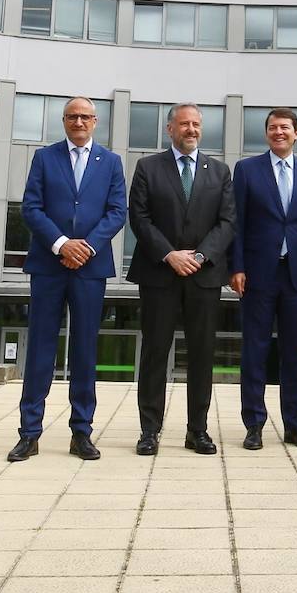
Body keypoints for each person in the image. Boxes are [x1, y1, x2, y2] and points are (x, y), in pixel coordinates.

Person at [8, 96, 127, 463]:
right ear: (64, 121)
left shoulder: (110, 162)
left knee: (85, 350)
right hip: (49, 264)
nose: (78, 122)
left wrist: (87, 246)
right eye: (72, 117)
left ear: (95, 121)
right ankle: (29, 433)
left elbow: (117, 211)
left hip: (90, 267)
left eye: (85, 117)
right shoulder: (45, 158)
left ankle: (82, 432)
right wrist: (61, 244)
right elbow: (31, 208)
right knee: (41, 348)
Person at [127, 103, 235, 456]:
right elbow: (139, 218)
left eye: (196, 124)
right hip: (159, 273)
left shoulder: (219, 172)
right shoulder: (147, 167)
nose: (191, 129)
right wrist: (170, 255)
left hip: (203, 276)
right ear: (169, 129)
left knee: (202, 355)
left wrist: (200, 256)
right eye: (184, 124)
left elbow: (227, 222)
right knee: (156, 353)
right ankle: (149, 431)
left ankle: (197, 431)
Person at [231, 108, 297, 450]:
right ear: (267, 133)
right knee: (254, 350)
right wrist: (236, 267)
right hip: (258, 274)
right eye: (273, 127)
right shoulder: (246, 170)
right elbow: (237, 223)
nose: (279, 132)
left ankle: (294, 424)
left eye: (285, 127)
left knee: (293, 351)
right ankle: (254, 424)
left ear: (296, 133)